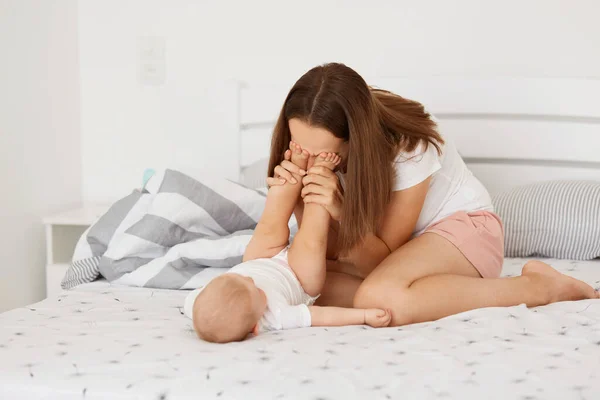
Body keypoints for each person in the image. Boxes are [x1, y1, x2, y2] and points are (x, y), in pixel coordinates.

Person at [266, 62, 599, 327]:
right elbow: (326, 254)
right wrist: (297, 202)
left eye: (324, 154)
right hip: (395, 257)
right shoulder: (309, 150)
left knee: (380, 296)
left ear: (356, 139)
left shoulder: (409, 146)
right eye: (299, 147)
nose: (307, 159)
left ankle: (539, 287)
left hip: (463, 231)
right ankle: (423, 294)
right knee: (303, 287)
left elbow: (378, 257)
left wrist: (339, 209)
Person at [184, 149, 392, 343]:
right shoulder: (277, 317)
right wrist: (363, 316)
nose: (249, 279)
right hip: (297, 277)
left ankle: (291, 176)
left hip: (259, 260)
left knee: (268, 228)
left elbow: (203, 305)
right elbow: (320, 315)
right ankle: (319, 177)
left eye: (239, 279)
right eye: (256, 290)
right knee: (310, 240)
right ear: (256, 327)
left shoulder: (197, 306)